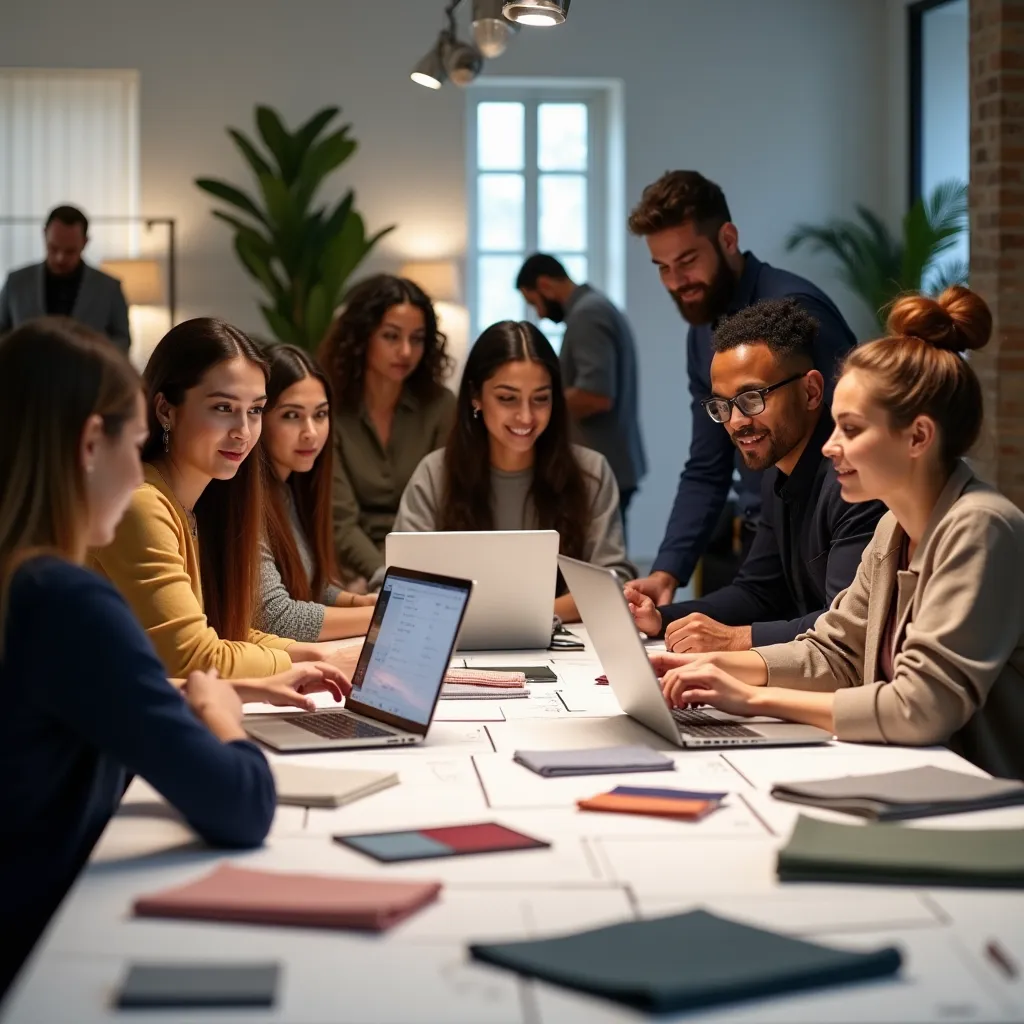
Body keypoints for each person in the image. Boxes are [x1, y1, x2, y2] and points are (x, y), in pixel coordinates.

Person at [0, 319, 281, 993]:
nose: (137, 475)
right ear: (90, 445)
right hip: (43, 954)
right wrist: (220, 715)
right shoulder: (67, 603)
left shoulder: (23, 588)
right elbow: (242, 803)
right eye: (133, 446)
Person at [656, 286, 1024, 781]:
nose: (829, 447)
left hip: (990, 806)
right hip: (922, 779)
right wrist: (714, 668)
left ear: (917, 437)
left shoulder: (979, 526)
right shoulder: (895, 528)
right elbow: (834, 651)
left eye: (850, 430)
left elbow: (919, 708)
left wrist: (751, 698)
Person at [626, 171, 856, 606]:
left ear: (727, 238)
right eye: (663, 268)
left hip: (829, 534)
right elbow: (708, 462)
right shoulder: (703, 331)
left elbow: (846, 436)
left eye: (688, 260)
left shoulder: (796, 311)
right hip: (765, 540)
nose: (676, 282)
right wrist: (667, 570)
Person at [91, 318, 356, 694]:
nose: (243, 432)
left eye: (255, 410)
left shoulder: (192, 504)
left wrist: (314, 655)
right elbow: (196, 658)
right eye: (222, 408)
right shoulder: (141, 505)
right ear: (166, 410)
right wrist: (319, 661)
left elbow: (223, 629)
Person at [626, 299, 884, 651]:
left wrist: (734, 639)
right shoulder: (776, 473)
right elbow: (759, 592)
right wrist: (663, 619)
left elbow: (846, 627)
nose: (735, 421)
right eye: (722, 406)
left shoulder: (854, 479)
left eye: (751, 398)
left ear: (811, 391)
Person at [393, 320, 635, 623]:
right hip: (454, 648)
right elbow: (402, 584)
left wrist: (519, 619)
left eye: (541, 399)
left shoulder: (591, 473)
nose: (526, 416)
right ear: (475, 397)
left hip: (567, 649)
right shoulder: (435, 474)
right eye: (507, 398)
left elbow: (611, 584)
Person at [319, 274, 456, 582]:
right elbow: (339, 521)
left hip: (428, 564)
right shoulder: (329, 408)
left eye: (417, 339)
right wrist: (387, 575)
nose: (406, 351)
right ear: (362, 337)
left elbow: (445, 506)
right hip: (350, 568)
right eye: (391, 336)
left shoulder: (440, 406)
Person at [516, 253, 647, 528]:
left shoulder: (587, 315)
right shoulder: (596, 307)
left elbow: (595, 396)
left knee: (599, 564)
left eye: (534, 302)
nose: (539, 314)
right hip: (613, 463)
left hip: (601, 468)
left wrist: (539, 407)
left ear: (545, 286)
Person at [257, 344, 377, 642]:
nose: (310, 431)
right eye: (291, 416)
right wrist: (383, 618)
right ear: (258, 416)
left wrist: (355, 601)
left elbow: (305, 581)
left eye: (320, 414)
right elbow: (278, 618)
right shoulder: (248, 502)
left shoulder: (287, 489)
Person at [0, 205, 131, 353]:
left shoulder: (109, 288)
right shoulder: (16, 282)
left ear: (85, 242)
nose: (60, 258)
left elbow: (123, 341)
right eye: (53, 248)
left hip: (87, 374)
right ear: (44, 235)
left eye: (70, 251)